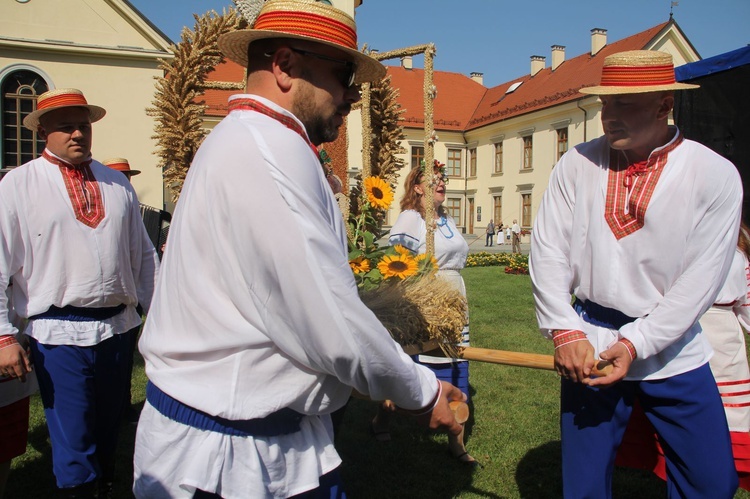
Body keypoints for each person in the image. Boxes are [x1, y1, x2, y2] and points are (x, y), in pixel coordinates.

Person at [132, 1, 465, 497]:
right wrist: (422, 392)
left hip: (267, 438)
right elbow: (330, 320)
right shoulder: (266, 152)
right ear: (286, 66)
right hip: (225, 458)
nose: (353, 92)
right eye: (344, 73)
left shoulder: (256, 141)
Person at [529, 50, 742, 498]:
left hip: (673, 348)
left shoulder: (714, 175)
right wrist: (565, 331)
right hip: (591, 343)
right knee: (583, 486)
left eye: (625, 104)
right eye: (606, 103)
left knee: (712, 481)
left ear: (665, 104)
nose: (609, 116)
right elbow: (548, 251)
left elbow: (700, 283)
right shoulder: (577, 163)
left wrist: (638, 343)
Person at [0, 88, 159, 498]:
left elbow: (143, 257)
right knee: (73, 436)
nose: (77, 134)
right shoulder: (19, 185)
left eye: (83, 126)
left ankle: (102, 486)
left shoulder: (116, 183)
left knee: (109, 430)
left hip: (118, 328)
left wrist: (160, 318)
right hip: (57, 334)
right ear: (43, 133)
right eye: (65, 127)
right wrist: (3, 335)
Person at [371, 160, 477, 466]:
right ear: (418, 188)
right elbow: (396, 263)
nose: (441, 183)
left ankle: (456, 443)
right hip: (425, 303)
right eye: (434, 180)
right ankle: (381, 420)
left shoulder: (446, 219)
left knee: (458, 365)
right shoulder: (409, 218)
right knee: (412, 372)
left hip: (455, 301)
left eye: (443, 179)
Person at [103, 158, 147, 424]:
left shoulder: (134, 204)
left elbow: (144, 248)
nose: (126, 180)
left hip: (134, 294)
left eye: (128, 175)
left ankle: (123, 403)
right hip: (117, 292)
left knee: (127, 353)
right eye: (121, 175)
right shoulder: (108, 203)